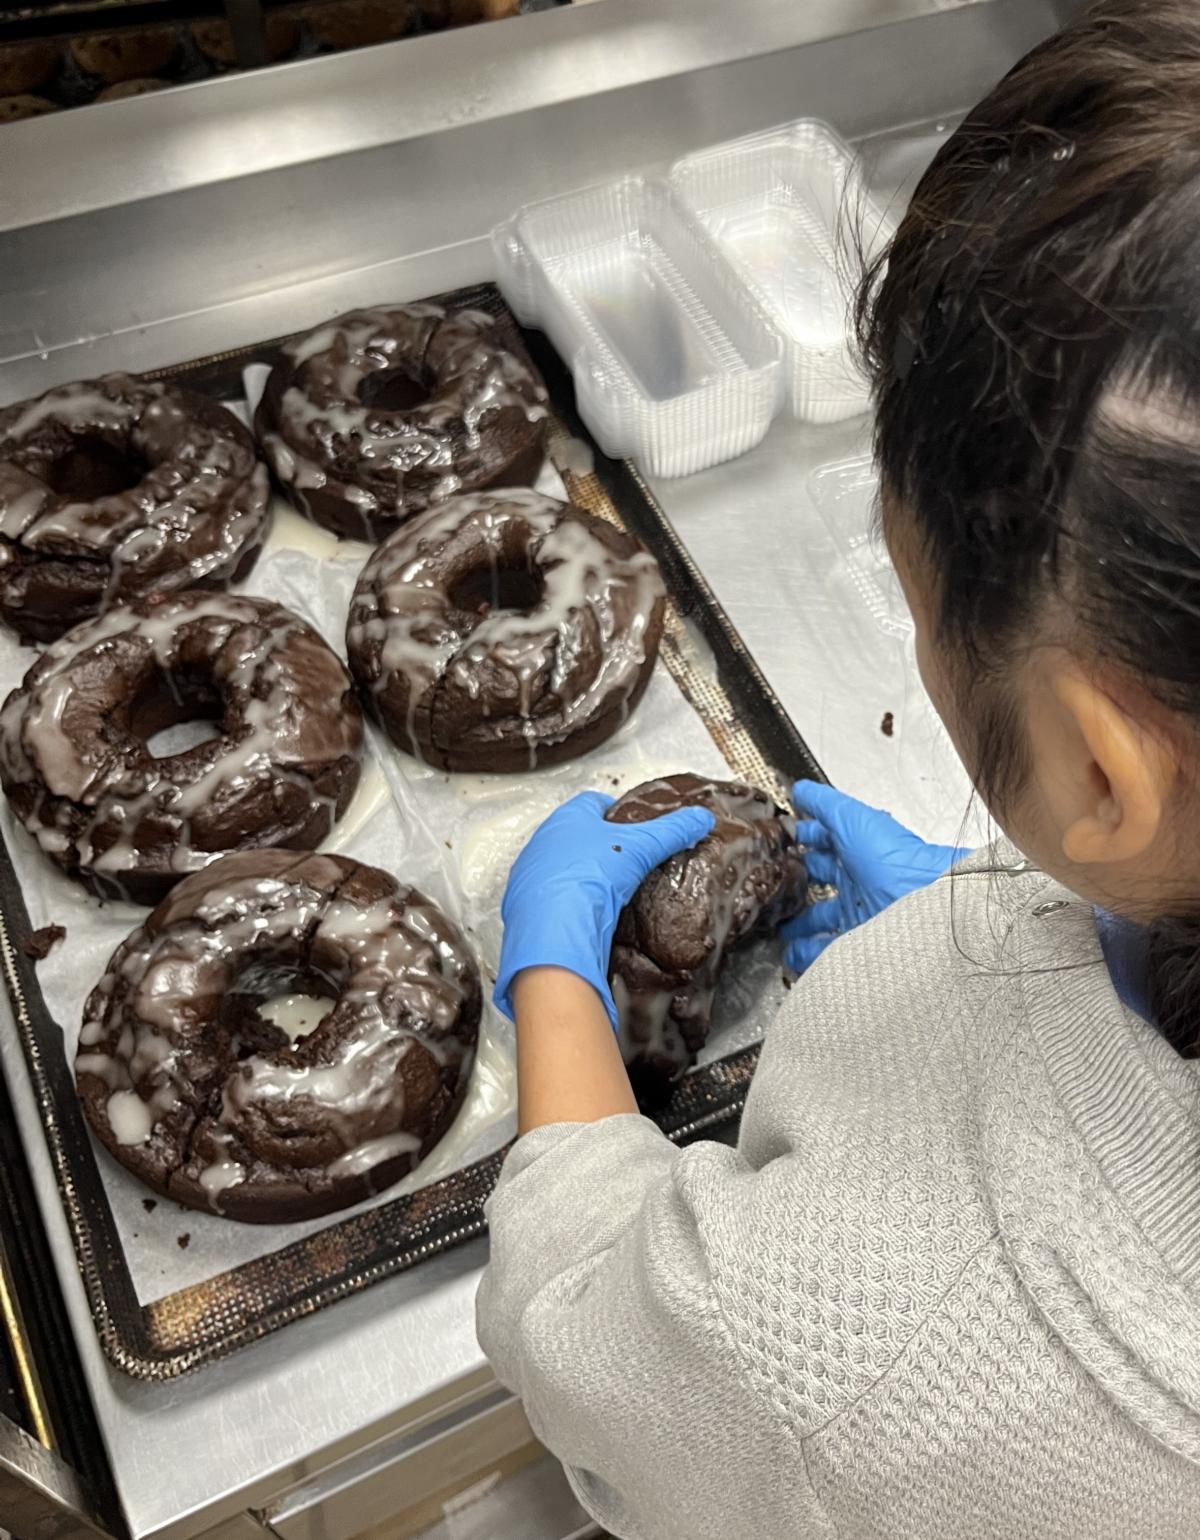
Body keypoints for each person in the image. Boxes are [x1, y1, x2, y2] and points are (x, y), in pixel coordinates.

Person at [475, 2, 1200, 1534]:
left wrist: (554, 987)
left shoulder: (868, 1350)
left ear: (1106, 774)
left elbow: (589, 1358)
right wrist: (1051, 919)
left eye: (919, 602)